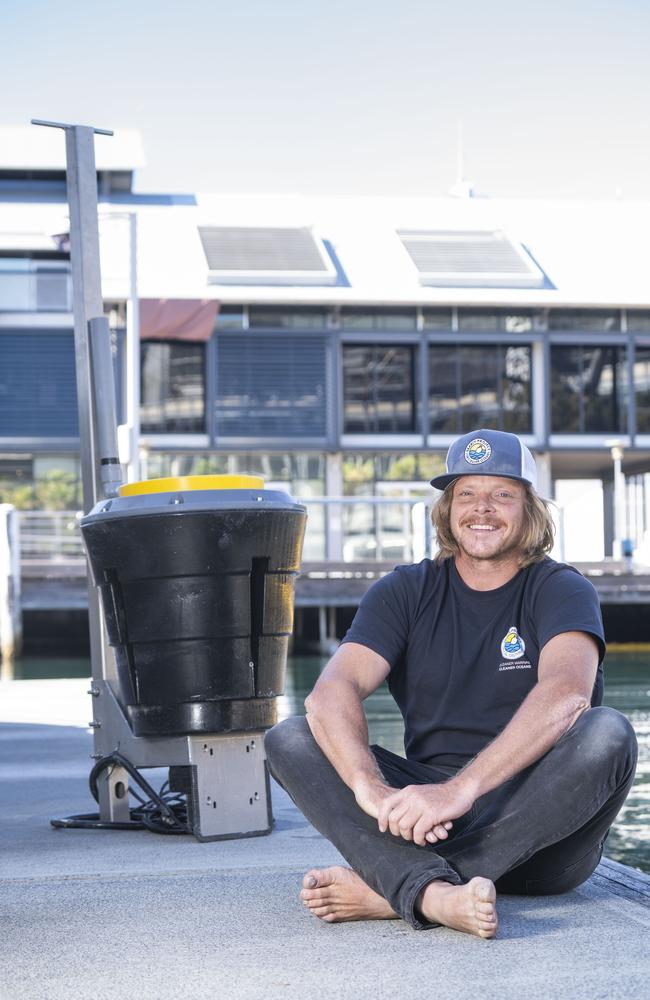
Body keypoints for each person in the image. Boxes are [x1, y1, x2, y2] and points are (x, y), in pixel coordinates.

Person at [265, 429, 638, 938]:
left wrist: (460, 790)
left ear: (529, 510)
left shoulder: (562, 589)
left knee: (607, 733)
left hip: (539, 832)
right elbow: (332, 691)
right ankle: (435, 892)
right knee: (290, 736)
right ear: (447, 508)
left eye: (502, 495)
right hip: (426, 818)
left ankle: (396, 888)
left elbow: (567, 692)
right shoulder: (404, 590)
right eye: (467, 494)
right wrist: (370, 789)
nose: (482, 509)